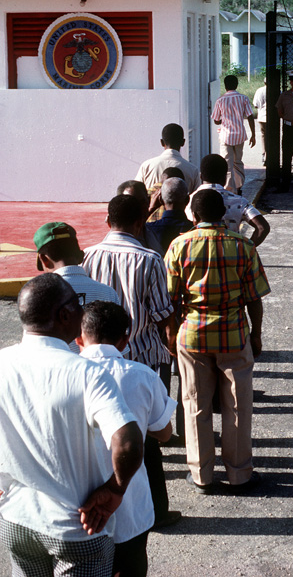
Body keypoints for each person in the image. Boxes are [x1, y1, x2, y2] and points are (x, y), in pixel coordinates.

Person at [0, 273, 142, 577]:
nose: (82, 310)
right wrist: (115, 489)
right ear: (63, 315)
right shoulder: (87, 373)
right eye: (78, 303)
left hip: (16, 519)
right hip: (77, 526)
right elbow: (128, 441)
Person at [165, 189, 270, 494]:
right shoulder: (243, 245)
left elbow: (170, 299)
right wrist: (256, 333)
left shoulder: (179, 246)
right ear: (223, 214)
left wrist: (172, 333)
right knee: (238, 405)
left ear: (193, 215)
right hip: (234, 334)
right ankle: (239, 473)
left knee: (195, 403)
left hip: (192, 335)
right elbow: (254, 298)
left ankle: (201, 475)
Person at [83, 194, 178, 528]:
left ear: (108, 221)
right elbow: (162, 313)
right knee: (148, 441)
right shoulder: (151, 259)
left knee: (104, 439)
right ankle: (154, 512)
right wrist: (172, 346)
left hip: (96, 361)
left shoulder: (88, 256)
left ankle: (107, 509)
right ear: (141, 222)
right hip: (144, 361)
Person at [78, 301, 177, 577]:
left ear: (78, 337)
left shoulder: (64, 375)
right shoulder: (142, 375)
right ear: (125, 340)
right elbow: (164, 432)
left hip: (79, 507)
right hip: (130, 502)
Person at [33, 220, 121, 353]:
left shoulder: (39, 295)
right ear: (81, 256)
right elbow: (118, 346)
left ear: (44, 260)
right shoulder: (108, 293)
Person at [185, 154, 270, 247]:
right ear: (225, 178)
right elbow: (262, 227)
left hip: (196, 255)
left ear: (201, 176)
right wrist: (247, 249)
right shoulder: (239, 201)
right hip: (231, 256)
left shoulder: (188, 201)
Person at [211, 74, 256, 194]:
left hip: (226, 135)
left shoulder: (220, 100)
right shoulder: (244, 98)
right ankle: (239, 186)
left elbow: (216, 120)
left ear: (225, 86)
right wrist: (253, 134)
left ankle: (230, 189)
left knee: (227, 163)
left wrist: (223, 120)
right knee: (238, 162)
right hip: (240, 135)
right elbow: (250, 116)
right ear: (236, 85)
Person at [135, 123, 200, 194]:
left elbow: (136, 192)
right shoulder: (192, 170)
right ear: (183, 142)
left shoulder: (147, 166)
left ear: (162, 142)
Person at [117, 179, 165, 256]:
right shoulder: (119, 240)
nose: (138, 207)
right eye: (131, 204)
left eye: (142, 202)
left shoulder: (150, 231)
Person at [146, 177, 192, 253]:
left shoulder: (150, 229)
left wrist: (151, 208)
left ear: (160, 200)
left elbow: (133, 232)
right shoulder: (192, 229)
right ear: (187, 200)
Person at [253, 78, 267, 165]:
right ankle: (271, 155)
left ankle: (264, 154)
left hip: (262, 116)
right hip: (273, 117)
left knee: (263, 136)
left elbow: (255, 105)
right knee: (272, 137)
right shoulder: (278, 91)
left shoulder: (259, 90)